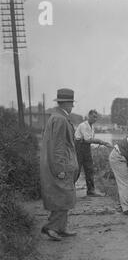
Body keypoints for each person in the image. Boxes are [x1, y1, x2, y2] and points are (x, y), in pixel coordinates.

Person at [40, 88, 80, 241]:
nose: (72, 106)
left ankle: (61, 227)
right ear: (66, 103)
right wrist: (59, 169)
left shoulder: (57, 117)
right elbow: (58, 147)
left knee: (64, 196)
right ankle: (51, 227)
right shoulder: (61, 119)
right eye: (71, 103)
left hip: (61, 164)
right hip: (60, 166)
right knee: (62, 196)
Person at [75, 109, 112, 196]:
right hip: (79, 147)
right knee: (77, 169)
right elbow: (87, 140)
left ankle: (91, 191)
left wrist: (97, 145)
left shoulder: (92, 127)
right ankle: (69, 189)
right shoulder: (83, 125)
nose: (95, 119)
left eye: (96, 117)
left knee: (89, 169)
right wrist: (102, 142)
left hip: (86, 148)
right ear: (89, 116)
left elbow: (90, 141)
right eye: (93, 117)